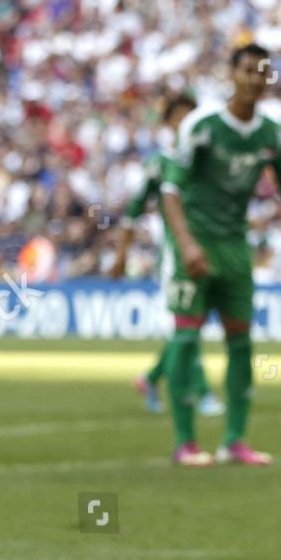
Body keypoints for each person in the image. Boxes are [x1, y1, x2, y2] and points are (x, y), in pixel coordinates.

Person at [159, 43, 281, 466]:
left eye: (264, 72)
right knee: (186, 338)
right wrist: (186, 244)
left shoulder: (271, 134)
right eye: (248, 71)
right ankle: (186, 441)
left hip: (236, 248)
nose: (256, 79)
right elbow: (170, 190)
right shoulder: (201, 125)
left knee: (240, 342)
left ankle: (234, 440)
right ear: (232, 75)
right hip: (196, 243)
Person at [109, 92, 223, 418]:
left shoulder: (205, 161)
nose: (187, 124)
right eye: (180, 117)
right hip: (176, 254)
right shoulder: (160, 163)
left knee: (190, 326)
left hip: (208, 249)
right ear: (169, 123)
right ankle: (201, 394)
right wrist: (120, 255)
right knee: (189, 326)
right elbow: (132, 211)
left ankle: (151, 377)